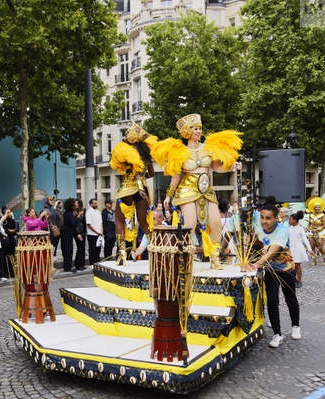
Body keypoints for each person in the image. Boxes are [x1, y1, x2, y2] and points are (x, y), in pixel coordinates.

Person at [152, 114, 242, 269]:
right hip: (187, 190)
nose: (199, 132)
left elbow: (215, 167)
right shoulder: (180, 151)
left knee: (215, 222)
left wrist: (230, 166)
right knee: (190, 224)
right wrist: (168, 195)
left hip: (207, 189)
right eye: (195, 129)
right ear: (187, 131)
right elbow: (176, 176)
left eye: (200, 129)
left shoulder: (207, 147)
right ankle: (185, 258)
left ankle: (215, 257)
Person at [244, 202, 301, 347]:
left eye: (268, 218)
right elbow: (252, 243)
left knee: (290, 297)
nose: (264, 221)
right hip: (269, 269)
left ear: (276, 218)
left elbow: (271, 253)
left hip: (286, 267)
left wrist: (255, 265)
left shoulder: (282, 230)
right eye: (262, 217)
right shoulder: (258, 225)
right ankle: (277, 334)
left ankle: (296, 326)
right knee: (272, 300)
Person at [108, 123, 157, 265]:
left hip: (127, 189)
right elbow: (152, 173)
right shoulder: (145, 153)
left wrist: (135, 180)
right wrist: (142, 179)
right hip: (143, 191)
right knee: (144, 223)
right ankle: (155, 250)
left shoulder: (124, 152)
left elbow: (123, 170)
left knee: (119, 221)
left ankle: (122, 254)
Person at [287, 211, 312, 287]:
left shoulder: (300, 229)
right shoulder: (289, 228)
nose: (289, 221)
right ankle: (293, 280)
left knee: (297, 265)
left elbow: (305, 239)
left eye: (290, 219)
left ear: (295, 220)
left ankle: (299, 280)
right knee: (291, 265)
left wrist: (309, 249)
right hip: (290, 247)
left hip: (298, 248)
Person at [305, 196, 325, 265]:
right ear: (314, 208)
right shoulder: (311, 215)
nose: (317, 208)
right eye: (316, 207)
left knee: (320, 246)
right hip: (312, 232)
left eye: (318, 207)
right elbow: (309, 223)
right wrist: (306, 228)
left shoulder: (322, 215)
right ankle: (314, 260)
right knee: (312, 246)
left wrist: (318, 229)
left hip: (320, 232)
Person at [61, 198, 79, 272]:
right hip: (66, 235)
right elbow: (73, 223)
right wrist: (77, 217)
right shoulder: (68, 214)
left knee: (69, 250)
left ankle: (68, 266)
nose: (76, 205)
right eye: (75, 204)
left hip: (69, 234)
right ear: (71, 205)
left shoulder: (70, 213)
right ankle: (68, 267)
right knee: (67, 251)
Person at [0, 206, 18, 279]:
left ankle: (12, 273)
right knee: (5, 259)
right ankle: (5, 274)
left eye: (10, 212)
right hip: (4, 243)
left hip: (11, 242)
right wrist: (9, 231)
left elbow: (16, 230)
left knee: (12, 258)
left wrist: (12, 231)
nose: (9, 214)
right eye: (8, 212)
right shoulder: (1, 220)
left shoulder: (12, 220)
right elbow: (3, 230)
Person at [85, 198, 103, 265]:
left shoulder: (98, 212)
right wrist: (97, 232)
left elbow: (101, 223)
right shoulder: (88, 212)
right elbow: (89, 225)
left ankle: (97, 263)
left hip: (99, 234)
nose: (96, 204)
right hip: (92, 234)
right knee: (92, 250)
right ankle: (92, 264)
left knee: (98, 249)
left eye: (96, 203)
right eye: (95, 203)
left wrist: (101, 231)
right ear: (91, 204)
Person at [74, 199, 86, 271]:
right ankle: (77, 265)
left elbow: (84, 222)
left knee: (82, 248)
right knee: (79, 248)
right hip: (77, 233)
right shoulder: (74, 212)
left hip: (83, 232)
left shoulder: (84, 210)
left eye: (76, 203)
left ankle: (82, 264)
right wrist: (78, 215)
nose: (75, 204)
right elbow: (75, 223)